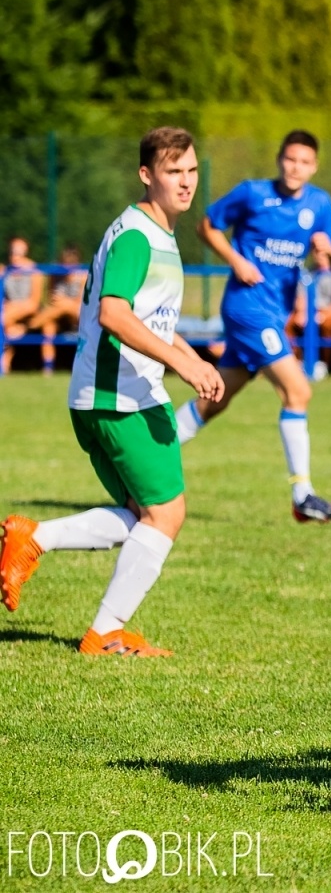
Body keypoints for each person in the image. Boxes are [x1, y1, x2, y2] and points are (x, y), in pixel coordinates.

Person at [0, 128, 224, 655]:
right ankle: (104, 632)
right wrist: (179, 364)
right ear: (147, 175)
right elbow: (115, 313)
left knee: (143, 514)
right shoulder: (136, 236)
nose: (186, 182)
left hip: (106, 397)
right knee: (166, 514)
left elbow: (150, 321)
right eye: (174, 172)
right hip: (121, 398)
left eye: (192, 171)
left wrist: (190, 357)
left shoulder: (159, 235)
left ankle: (33, 538)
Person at [177, 130, 331, 522]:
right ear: (279, 159)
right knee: (298, 391)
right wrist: (235, 260)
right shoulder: (252, 193)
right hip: (247, 309)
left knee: (214, 400)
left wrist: (329, 252)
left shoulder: (319, 204)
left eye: (305, 162)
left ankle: (148, 457)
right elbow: (206, 225)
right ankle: (303, 495)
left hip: (275, 313)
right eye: (290, 159)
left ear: (314, 167)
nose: (296, 168)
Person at [288, 248, 331, 382]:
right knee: (288, 323)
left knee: (325, 325)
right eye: (316, 252)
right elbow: (301, 300)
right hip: (310, 312)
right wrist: (302, 313)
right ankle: (295, 362)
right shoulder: (307, 273)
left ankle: (323, 363)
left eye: (323, 253)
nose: (320, 256)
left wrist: (320, 317)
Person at [27, 244, 87, 375]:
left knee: (65, 306)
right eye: (64, 263)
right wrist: (62, 303)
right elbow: (51, 298)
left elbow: (81, 304)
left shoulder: (83, 275)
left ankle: (30, 326)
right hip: (58, 314)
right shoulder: (55, 274)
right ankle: (48, 368)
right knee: (48, 326)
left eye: (70, 264)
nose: (67, 268)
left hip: (77, 316)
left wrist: (64, 302)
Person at [2, 236, 44, 374]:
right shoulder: (5, 271)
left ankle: (5, 361)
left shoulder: (34, 272)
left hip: (28, 313)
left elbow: (34, 304)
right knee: (6, 324)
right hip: (10, 314)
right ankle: (5, 363)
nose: (15, 255)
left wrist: (12, 308)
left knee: (3, 318)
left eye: (20, 251)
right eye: (13, 251)